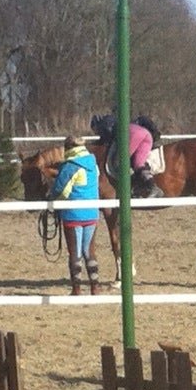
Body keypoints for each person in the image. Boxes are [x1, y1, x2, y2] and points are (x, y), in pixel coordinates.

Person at [48, 135, 101, 295]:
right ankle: (95, 286)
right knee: (89, 250)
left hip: (73, 214)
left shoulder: (70, 166)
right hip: (92, 213)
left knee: (75, 252)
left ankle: (76, 288)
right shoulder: (93, 164)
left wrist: (51, 198)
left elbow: (60, 191)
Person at [89, 113, 164, 199]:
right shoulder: (112, 121)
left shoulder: (104, 125)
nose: (95, 132)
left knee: (120, 161)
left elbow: (105, 141)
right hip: (146, 134)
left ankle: (131, 187)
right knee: (138, 163)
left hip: (133, 134)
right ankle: (152, 186)